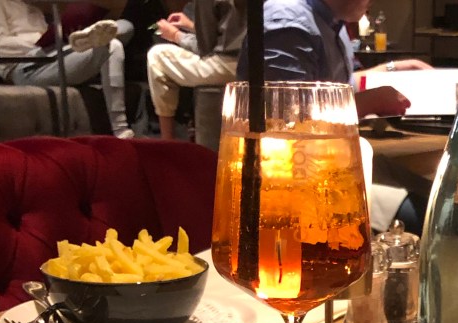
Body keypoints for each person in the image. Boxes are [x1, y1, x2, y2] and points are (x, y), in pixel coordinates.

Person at [237, 0, 433, 232]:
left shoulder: (330, 22)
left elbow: (339, 86)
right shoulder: (287, 23)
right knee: (426, 216)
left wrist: (392, 69)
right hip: (294, 182)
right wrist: (370, 101)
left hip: (335, 165)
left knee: (436, 196)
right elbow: (285, 119)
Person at [0, 0, 136, 139]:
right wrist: (43, 41)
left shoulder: (32, 8)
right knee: (112, 45)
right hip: (25, 67)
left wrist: (57, 38)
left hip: (54, 54)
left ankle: (85, 37)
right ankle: (120, 129)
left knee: (125, 26)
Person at [146, 0, 247, 141]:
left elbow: (205, 49)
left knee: (157, 55)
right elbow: (233, 33)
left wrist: (175, 35)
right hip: (257, 64)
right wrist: (192, 26)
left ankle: (167, 140)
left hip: (228, 66)